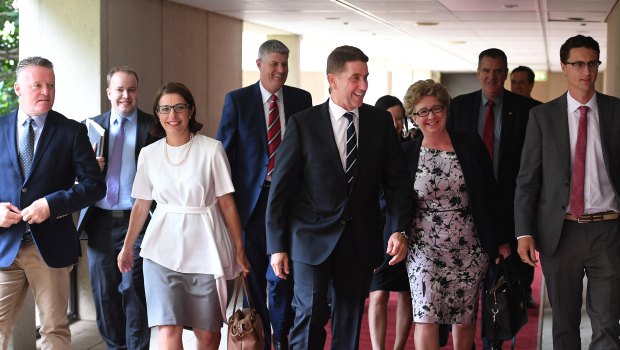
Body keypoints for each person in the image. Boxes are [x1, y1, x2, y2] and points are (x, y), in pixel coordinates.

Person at [266, 45, 411, 350]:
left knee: (349, 318)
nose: (363, 86)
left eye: (366, 78)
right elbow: (281, 189)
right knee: (310, 313)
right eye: (355, 78)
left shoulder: (379, 123)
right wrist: (277, 246)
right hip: (310, 236)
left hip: (359, 238)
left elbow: (396, 183)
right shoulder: (303, 124)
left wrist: (399, 227)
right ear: (332, 79)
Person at [117, 82, 250, 349]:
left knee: (208, 333)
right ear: (157, 114)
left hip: (206, 248)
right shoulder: (149, 154)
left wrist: (239, 248)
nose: (173, 115)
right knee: (167, 328)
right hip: (160, 251)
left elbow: (226, 203)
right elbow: (142, 205)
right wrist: (127, 247)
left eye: (179, 107)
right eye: (165, 109)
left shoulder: (212, 149)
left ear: (191, 111)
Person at [515, 35, 620, 350]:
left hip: (609, 230)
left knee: (607, 322)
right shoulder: (542, 117)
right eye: (578, 64)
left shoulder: (616, 112)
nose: (586, 71)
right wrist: (523, 232)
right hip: (560, 232)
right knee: (563, 323)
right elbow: (527, 179)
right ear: (564, 67)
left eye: (592, 63)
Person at [0, 56, 106, 349]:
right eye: (37, 85)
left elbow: (94, 186)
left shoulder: (72, 131)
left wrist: (52, 204)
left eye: (51, 85)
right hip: (4, 247)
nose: (46, 91)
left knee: (54, 329)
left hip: (50, 247)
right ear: (18, 88)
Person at [216, 39, 312, 350]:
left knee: (284, 275)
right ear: (259, 65)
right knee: (255, 277)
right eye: (274, 64)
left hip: (291, 203)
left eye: (285, 64)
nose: (281, 70)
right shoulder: (238, 101)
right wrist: (225, 205)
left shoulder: (301, 99)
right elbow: (222, 155)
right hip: (252, 206)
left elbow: (310, 152)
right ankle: (262, 339)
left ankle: (281, 337)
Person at [403, 79, 511, 350]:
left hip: (469, 245)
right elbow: (395, 200)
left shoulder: (469, 143)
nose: (431, 116)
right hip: (423, 247)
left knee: (463, 319)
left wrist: (500, 238)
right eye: (422, 111)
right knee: (425, 316)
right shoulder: (405, 154)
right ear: (413, 117)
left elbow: (489, 191)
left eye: (436, 108)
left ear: (446, 109)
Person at [447, 49, 540, 348]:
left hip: (507, 213)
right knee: (464, 286)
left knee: (497, 284)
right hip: (464, 211)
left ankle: (492, 342)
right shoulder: (458, 107)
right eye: (486, 70)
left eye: (499, 71)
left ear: (506, 73)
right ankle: (467, 342)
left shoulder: (528, 110)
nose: (492, 77)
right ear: (478, 72)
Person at [78, 66, 159, 350]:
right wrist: (88, 169)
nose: (126, 96)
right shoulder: (89, 127)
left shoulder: (153, 127)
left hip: (138, 221)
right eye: (120, 90)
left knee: (135, 288)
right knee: (105, 293)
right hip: (99, 221)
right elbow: (72, 175)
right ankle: (115, 347)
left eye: (132, 90)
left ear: (138, 92)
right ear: (109, 92)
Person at [368, 95, 412, 350]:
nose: (395, 125)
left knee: (406, 293)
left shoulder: (412, 146)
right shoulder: (368, 148)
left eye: (399, 119)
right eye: (390, 119)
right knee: (378, 293)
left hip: (406, 228)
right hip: (377, 227)